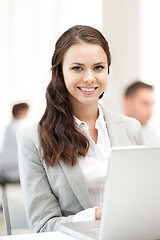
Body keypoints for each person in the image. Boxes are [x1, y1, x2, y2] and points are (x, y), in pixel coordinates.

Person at [17, 25, 143, 233]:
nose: (89, 78)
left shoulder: (130, 128)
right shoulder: (32, 139)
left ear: (108, 70)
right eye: (77, 68)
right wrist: (96, 214)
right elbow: (43, 226)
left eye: (98, 67)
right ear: (60, 72)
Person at [124, 81, 160, 147]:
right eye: (145, 103)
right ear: (128, 103)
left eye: (151, 105)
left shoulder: (153, 137)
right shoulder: (112, 133)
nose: (150, 111)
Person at [0, 103, 29, 183]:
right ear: (20, 111)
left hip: (12, 165)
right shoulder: (13, 128)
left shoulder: (15, 126)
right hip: (11, 168)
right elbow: (24, 146)